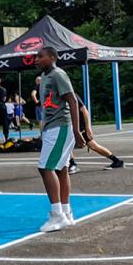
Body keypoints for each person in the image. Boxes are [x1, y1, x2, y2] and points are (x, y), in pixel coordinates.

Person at [35, 47, 86, 233]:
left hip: (61, 127)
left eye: (41, 56)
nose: (36, 59)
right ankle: (66, 211)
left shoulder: (58, 74)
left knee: (45, 168)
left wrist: (76, 129)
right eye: (36, 57)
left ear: (53, 57)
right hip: (52, 127)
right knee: (62, 169)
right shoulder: (45, 77)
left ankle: (57, 215)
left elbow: (72, 101)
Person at [67, 97, 125, 173]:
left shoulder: (72, 95)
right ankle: (72, 164)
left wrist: (88, 128)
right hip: (71, 126)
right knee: (66, 144)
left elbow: (84, 111)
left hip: (80, 127)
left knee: (93, 145)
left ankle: (117, 161)